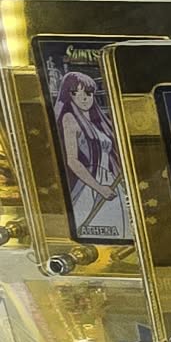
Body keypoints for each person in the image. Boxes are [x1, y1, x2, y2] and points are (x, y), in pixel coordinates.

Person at [51, 68, 126, 240]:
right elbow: (72, 160)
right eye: (75, 93)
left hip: (110, 181)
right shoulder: (69, 118)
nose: (84, 98)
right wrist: (99, 188)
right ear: (68, 96)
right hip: (89, 183)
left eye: (88, 93)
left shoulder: (100, 122)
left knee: (119, 230)